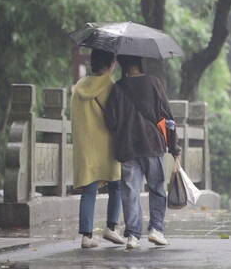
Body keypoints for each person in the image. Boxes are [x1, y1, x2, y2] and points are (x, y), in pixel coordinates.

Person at [105, 54, 181, 249]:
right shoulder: (154, 83)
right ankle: (156, 229)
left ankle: (133, 235)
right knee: (157, 188)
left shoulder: (118, 87)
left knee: (130, 191)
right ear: (140, 63)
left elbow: (110, 121)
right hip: (151, 144)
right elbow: (167, 117)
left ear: (122, 64)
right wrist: (174, 147)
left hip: (127, 146)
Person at [71, 49, 126, 249]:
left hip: (85, 146)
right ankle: (111, 228)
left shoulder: (79, 87)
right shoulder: (110, 86)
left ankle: (86, 236)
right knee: (116, 185)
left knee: (89, 189)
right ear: (111, 64)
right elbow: (116, 117)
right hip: (107, 145)